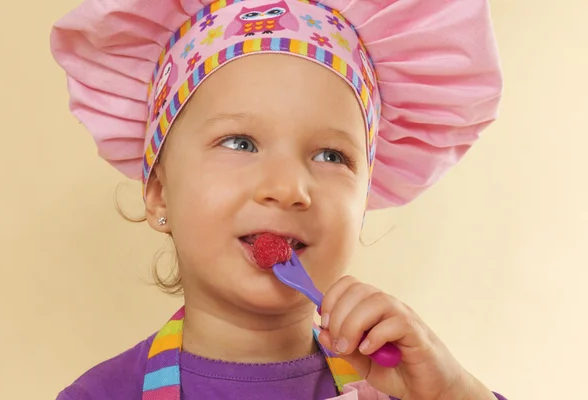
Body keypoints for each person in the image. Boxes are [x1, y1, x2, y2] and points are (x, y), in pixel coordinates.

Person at [50, 0, 505, 399]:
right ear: (158, 194)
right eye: (240, 143)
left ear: (365, 200)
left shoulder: (406, 388)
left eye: (331, 155)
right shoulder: (99, 396)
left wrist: (451, 393)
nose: (289, 188)